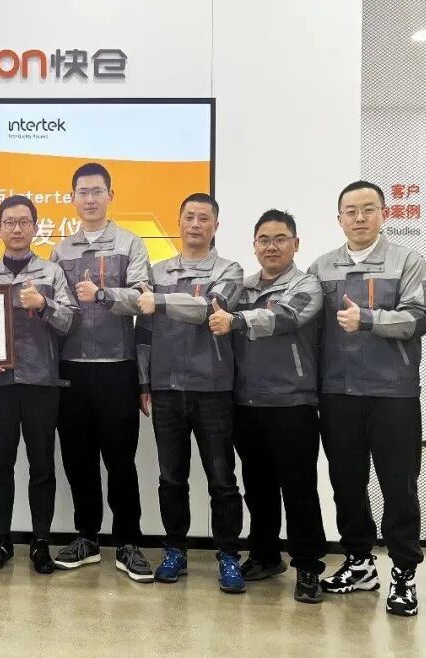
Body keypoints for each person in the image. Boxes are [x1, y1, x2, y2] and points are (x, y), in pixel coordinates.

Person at [308, 180, 426, 616]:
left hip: (392, 393)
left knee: (399, 486)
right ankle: (359, 563)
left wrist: (368, 319)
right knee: (346, 483)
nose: (359, 218)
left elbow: (419, 318)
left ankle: (404, 573)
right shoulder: (321, 266)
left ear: (384, 214)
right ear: (339, 218)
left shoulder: (407, 260)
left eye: (368, 209)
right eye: (351, 211)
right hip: (338, 393)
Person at [207, 209, 326, 603]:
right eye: (264, 240)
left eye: (280, 238)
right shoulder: (241, 287)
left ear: (296, 243)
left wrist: (236, 320)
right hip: (247, 402)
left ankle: (307, 566)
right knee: (258, 487)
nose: (271, 247)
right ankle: (265, 555)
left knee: (299, 488)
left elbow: (285, 317)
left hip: (292, 402)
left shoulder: (307, 284)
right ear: (254, 245)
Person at [136, 193, 246, 593]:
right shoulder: (157, 271)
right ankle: (174, 551)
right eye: (189, 217)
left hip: (212, 389)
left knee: (222, 478)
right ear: (178, 222)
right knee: (171, 478)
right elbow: (144, 333)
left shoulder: (230, 270)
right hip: (166, 389)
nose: (195, 224)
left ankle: (229, 555)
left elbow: (209, 308)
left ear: (216, 225)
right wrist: (144, 382)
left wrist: (159, 301)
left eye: (204, 218)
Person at [50, 162, 153, 582]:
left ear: (111, 195)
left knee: (120, 460)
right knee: (78, 459)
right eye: (83, 192)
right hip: (71, 370)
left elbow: (144, 300)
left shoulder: (131, 244)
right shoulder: (60, 251)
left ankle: (128, 542)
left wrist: (104, 294)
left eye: (97, 191)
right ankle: (86, 537)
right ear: (72, 198)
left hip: (117, 369)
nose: (90, 199)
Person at [0, 196, 77, 575]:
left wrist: (44, 304)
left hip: (41, 382)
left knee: (42, 465)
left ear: (35, 227)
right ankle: (0, 539)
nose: (16, 229)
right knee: (1, 463)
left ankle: (41, 542)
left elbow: (70, 322)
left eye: (24, 222)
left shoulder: (51, 272)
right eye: (9, 222)